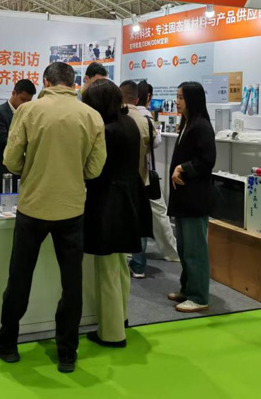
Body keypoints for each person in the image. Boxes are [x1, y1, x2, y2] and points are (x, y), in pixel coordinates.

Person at [0, 62, 106, 374]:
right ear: (73, 83)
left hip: (33, 207)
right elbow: (94, 169)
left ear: (46, 82)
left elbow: (11, 161)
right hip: (72, 208)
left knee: (19, 277)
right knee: (72, 283)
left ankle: (7, 343)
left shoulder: (28, 111)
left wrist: (33, 168)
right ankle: (67, 352)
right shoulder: (91, 116)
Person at [82, 80, 150, 348]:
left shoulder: (106, 130)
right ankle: (120, 318)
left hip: (108, 202)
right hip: (128, 198)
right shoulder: (129, 123)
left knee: (107, 269)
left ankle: (111, 333)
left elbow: (94, 169)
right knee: (119, 264)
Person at [167, 82, 216, 313]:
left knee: (195, 250)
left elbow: (207, 161)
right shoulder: (187, 124)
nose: (177, 102)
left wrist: (183, 168)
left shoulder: (201, 126)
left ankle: (199, 296)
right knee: (185, 249)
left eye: (181, 98)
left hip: (195, 198)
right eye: (177, 97)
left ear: (192, 100)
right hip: (183, 198)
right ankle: (187, 288)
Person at [121, 81, 179, 274]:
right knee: (150, 217)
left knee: (128, 217)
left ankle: (130, 258)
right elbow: (156, 142)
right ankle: (148, 259)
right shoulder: (145, 118)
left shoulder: (117, 117)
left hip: (122, 178)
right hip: (144, 176)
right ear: (144, 97)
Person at [0, 79, 36, 194]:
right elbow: (1, 140)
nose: (25, 104)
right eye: (23, 99)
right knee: (5, 202)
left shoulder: (28, 114)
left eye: (29, 101)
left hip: (20, 169)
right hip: (2, 169)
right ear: (14, 93)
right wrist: (26, 145)